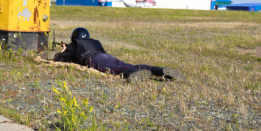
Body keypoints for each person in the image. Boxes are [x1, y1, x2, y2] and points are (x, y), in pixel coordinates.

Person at [54, 27, 184, 83]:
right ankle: (158, 70)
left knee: (118, 70)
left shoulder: (75, 43)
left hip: (95, 59)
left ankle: (133, 74)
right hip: (108, 57)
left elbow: (60, 58)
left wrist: (63, 50)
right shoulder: (95, 41)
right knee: (128, 65)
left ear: (74, 37)